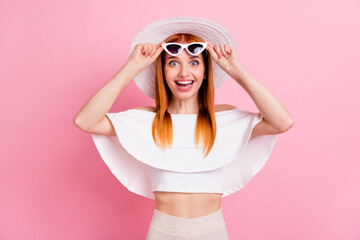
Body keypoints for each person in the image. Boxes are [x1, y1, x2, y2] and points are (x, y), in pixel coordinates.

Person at [74, 16, 294, 240]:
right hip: (162, 232)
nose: (183, 72)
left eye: (194, 62)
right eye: (173, 62)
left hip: (212, 232)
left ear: (206, 71)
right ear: (162, 72)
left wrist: (237, 71)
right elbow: (86, 121)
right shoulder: (146, 121)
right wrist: (133, 67)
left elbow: (282, 121)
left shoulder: (225, 119)